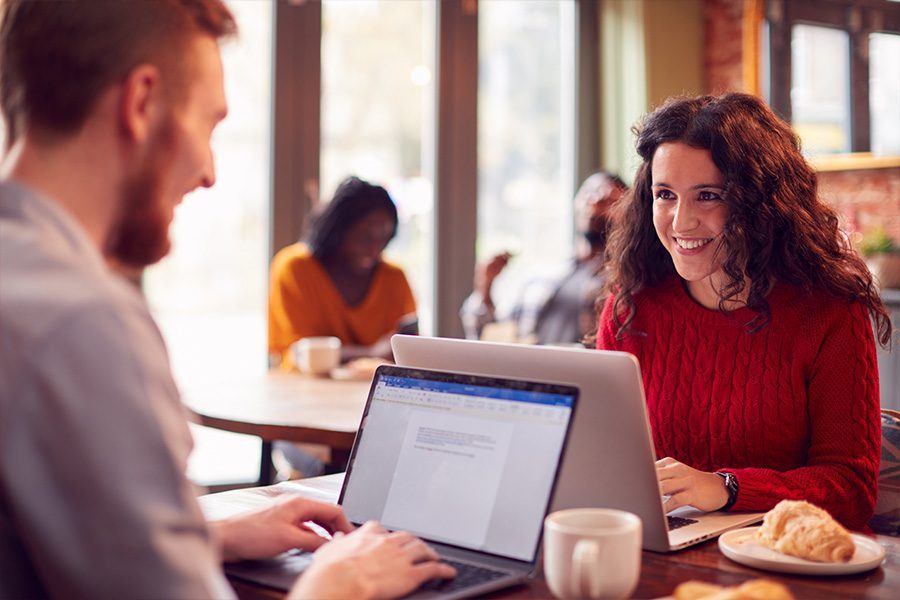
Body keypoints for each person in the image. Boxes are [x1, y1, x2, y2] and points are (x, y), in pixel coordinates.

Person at [0, 2, 453, 598]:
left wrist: (212, 534)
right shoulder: (85, 323)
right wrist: (343, 583)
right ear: (141, 103)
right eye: (209, 124)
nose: (209, 171)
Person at [596, 92, 890, 531]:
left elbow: (851, 487)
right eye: (665, 194)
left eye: (708, 195)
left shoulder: (828, 311)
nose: (680, 222)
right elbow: (603, 459)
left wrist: (728, 488)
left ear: (761, 203)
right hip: (667, 553)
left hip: (788, 563)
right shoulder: (632, 304)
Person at [461, 171, 626, 346]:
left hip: (582, 372)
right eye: (589, 192)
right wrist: (485, 289)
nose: (595, 200)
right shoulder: (540, 276)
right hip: (527, 371)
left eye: (608, 196)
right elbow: (492, 342)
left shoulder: (625, 281)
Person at [268, 176, 417, 369]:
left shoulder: (394, 277)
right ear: (339, 231)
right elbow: (301, 353)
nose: (374, 249)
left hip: (371, 393)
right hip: (302, 391)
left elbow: (406, 349)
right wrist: (371, 352)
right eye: (365, 237)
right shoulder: (295, 268)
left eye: (383, 239)